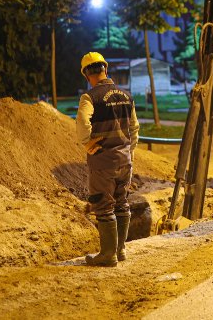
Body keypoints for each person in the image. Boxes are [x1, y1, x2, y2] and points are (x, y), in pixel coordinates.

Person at [75, 52, 139, 267]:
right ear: (106, 69)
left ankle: (107, 255)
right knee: (122, 203)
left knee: (103, 206)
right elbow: (134, 128)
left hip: (103, 162)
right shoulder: (126, 95)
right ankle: (120, 251)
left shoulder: (90, 97)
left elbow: (83, 121)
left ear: (86, 74)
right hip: (124, 160)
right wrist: (130, 151)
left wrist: (87, 142)